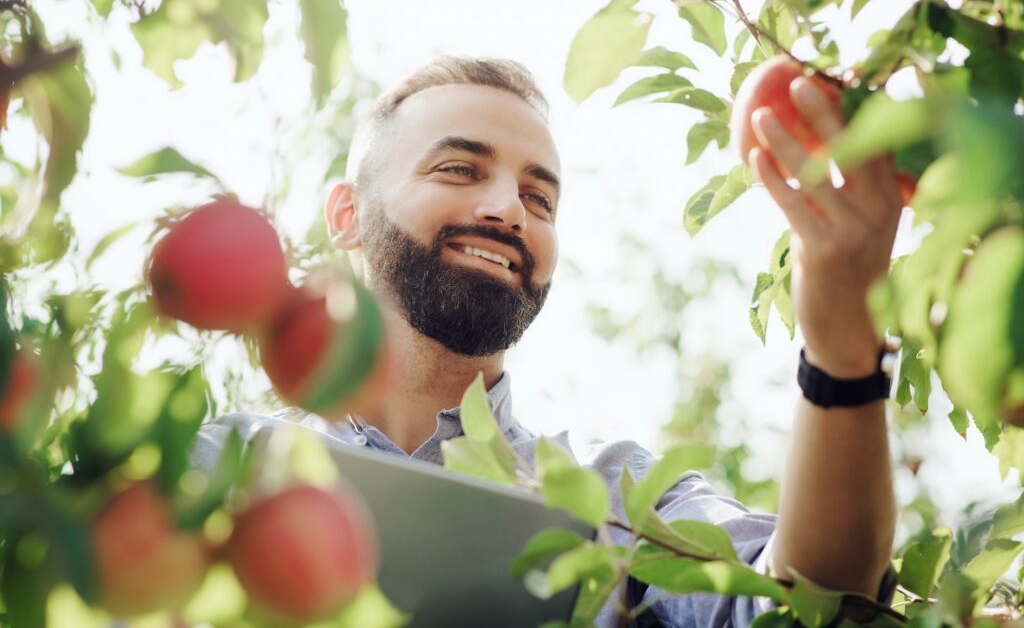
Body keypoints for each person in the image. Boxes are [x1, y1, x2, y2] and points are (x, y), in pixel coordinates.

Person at [193, 57, 900, 626]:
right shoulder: (226, 465)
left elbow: (808, 604)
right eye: (460, 169)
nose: (507, 210)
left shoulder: (619, 500)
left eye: (540, 199)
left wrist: (841, 347)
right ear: (348, 215)